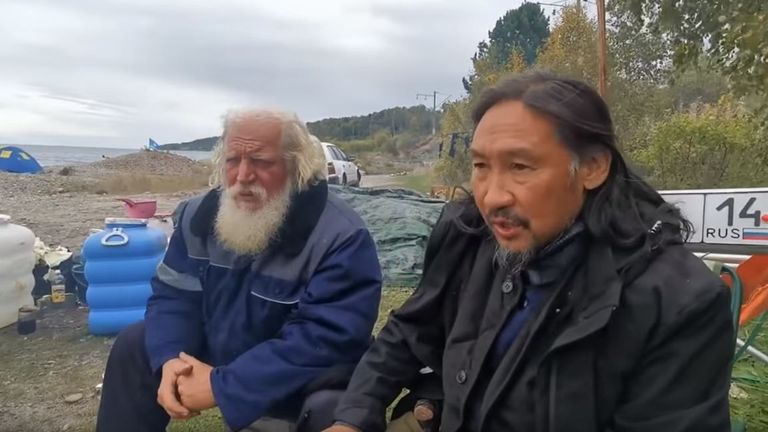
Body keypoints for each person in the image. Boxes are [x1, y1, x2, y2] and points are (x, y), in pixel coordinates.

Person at [326, 72, 734, 432]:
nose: (492, 198)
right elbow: (409, 330)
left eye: (520, 167)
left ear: (591, 166)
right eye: (481, 166)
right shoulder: (468, 234)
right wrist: (353, 416)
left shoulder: (677, 301)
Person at [96, 108, 383, 432]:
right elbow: (174, 297)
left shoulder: (340, 237)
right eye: (233, 160)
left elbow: (326, 340)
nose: (243, 175)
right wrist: (170, 358)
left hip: (306, 373)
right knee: (136, 345)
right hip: (224, 348)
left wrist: (223, 385)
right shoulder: (197, 216)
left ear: (295, 167)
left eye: (261, 162)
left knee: (334, 408)